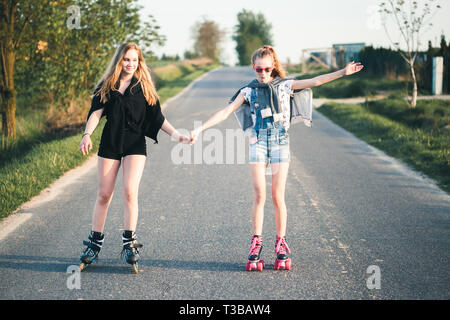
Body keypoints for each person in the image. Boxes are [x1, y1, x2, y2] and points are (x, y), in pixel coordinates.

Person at [189, 45, 363, 271]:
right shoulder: (247, 91)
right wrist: (199, 129)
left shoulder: (284, 85)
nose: (263, 73)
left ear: (273, 68)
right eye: (259, 69)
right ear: (254, 68)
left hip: (280, 142)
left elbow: (315, 81)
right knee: (260, 195)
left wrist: (342, 72)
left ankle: (281, 242)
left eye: (267, 69)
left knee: (277, 196)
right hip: (258, 143)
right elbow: (225, 112)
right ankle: (256, 243)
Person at [78, 42, 190, 273]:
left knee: (130, 191)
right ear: (119, 60)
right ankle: (95, 243)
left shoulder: (144, 86)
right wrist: (87, 134)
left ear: (140, 62)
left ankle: (129, 243)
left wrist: (177, 134)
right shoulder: (107, 85)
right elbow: (96, 113)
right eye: (126, 59)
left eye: (134, 60)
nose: (130, 64)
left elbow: (158, 118)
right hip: (110, 142)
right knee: (104, 194)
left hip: (134, 144)